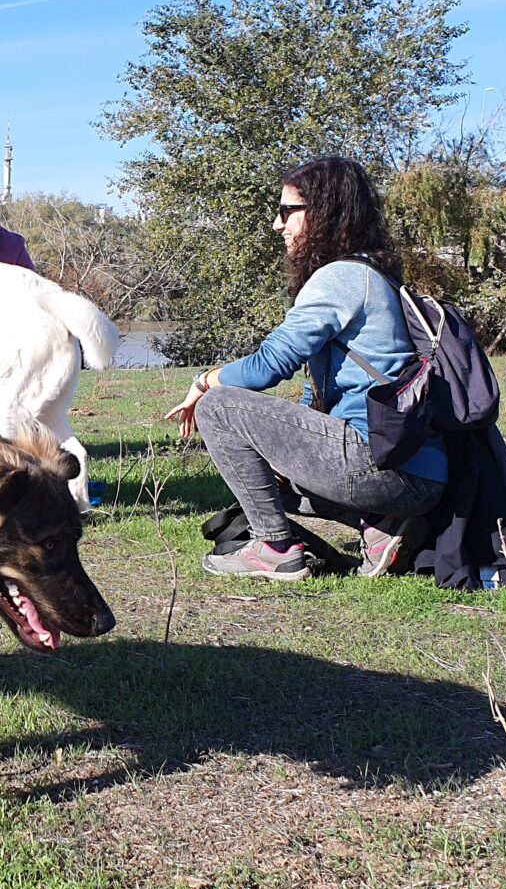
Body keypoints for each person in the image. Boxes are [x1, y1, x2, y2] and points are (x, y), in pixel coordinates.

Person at [163, 157, 448, 581]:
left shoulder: (340, 278)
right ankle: (380, 529)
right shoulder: (375, 273)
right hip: (421, 475)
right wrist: (275, 450)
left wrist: (203, 381)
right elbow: (318, 391)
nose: (278, 225)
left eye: (286, 211)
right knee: (266, 466)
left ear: (324, 213)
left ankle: (274, 549)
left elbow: (266, 367)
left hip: (383, 467)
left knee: (219, 407)